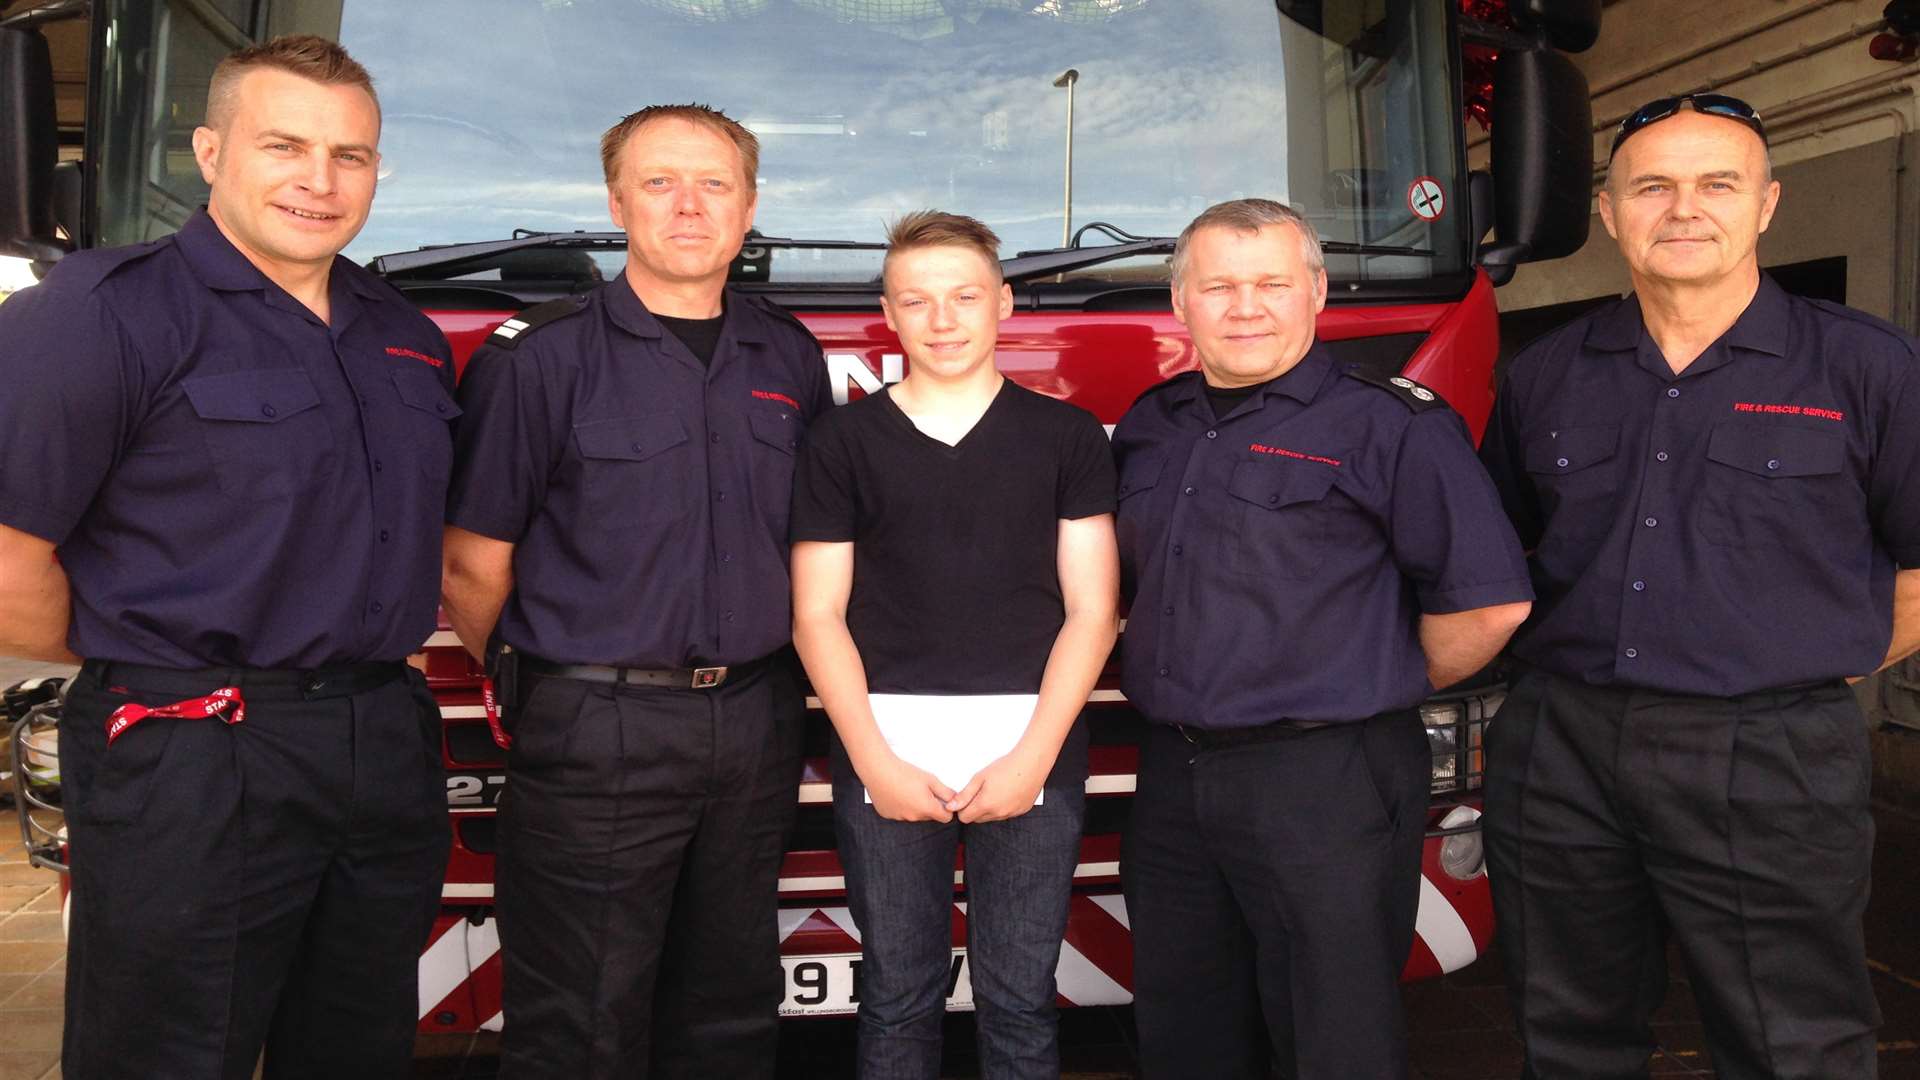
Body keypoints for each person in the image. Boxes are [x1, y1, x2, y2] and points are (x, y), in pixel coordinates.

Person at [0, 35, 455, 1079]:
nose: (319, 180)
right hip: (193, 747)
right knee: (167, 1051)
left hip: (379, 739)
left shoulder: (404, 335)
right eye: (284, 145)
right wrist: (151, 652)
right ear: (209, 152)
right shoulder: (98, 316)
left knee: (359, 1042)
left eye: (351, 155)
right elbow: (8, 562)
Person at [1478, 94, 1920, 1079]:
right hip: (1563, 749)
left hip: (1769, 753)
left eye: (1716, 183)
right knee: (1568, 1030)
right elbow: (1504, 553)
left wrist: (1827, 660)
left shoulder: (1870, 368)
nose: (1684, 208)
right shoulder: (1545, 375)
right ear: (1609, 212)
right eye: (1652, 186)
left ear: (1766, 204)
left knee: (1790, 1040)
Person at [440, 103, 832, 1078]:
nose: (689, 207)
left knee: (731, 1009)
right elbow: (472, 565)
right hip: (596, 728)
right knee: (581, 1020)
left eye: (714, 185)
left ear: (749, 209)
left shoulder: (787, 356)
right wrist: (555, 684)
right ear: (617, 202)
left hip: (755, 719)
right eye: (660, 183)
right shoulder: (538, 360)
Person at [1113, 198, 1533, 1080]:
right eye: (1218, 286)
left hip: (1325, 777)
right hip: (1174, 775)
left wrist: (1371, 683)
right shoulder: (1154, 424)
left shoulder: (1391, 425)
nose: (1245, 306)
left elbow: (1488, 605)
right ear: (1180, 302)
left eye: (1271, 283)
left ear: (1315, 292)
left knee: (1331, 1036)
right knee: (1184, 1028)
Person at [789, 210, 1120, 1079]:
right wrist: (873, 764)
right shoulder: (841, 442)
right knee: (897, 996)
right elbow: (817, 614)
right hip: (887, 754)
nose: (942, 320)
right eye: (917, 301)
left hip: (1031, 751)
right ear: (889, 315)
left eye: (964, 296)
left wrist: (1033, 761)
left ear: (1003, 303)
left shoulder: (1068, 439)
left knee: (1020, 1001)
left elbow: (1093, 610)